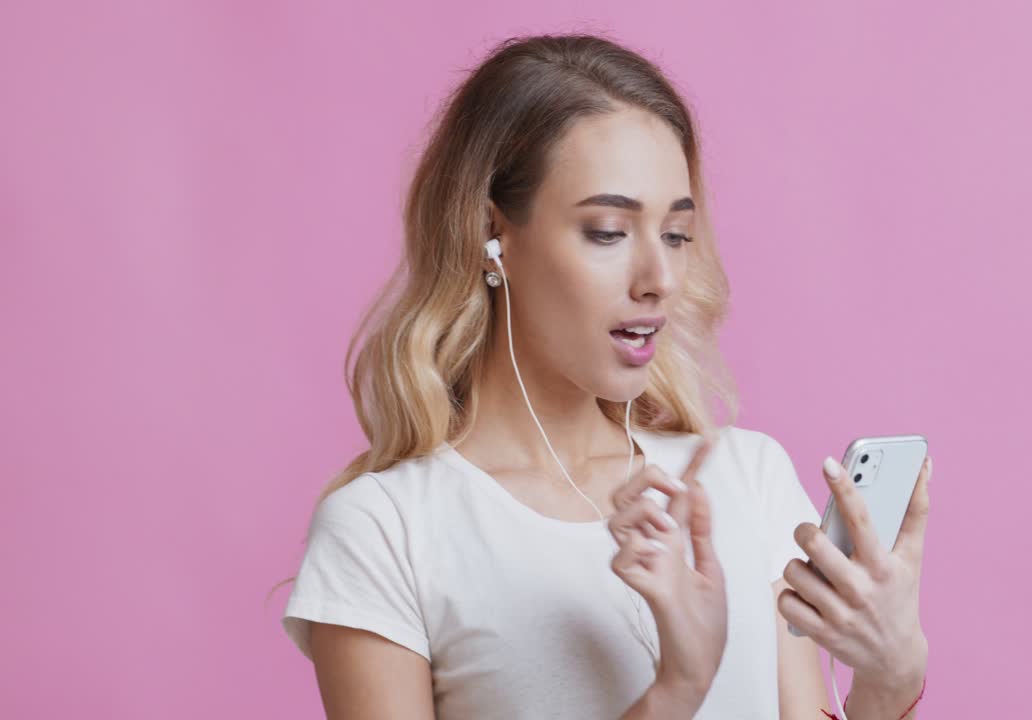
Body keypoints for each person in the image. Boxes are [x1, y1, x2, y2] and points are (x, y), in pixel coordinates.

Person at [275, 33, 931, 719]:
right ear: (488, 235)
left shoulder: (749, 481)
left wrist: (890, 681)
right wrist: (678, 687)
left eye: (676, 234)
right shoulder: (387, 531)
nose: (660, 279)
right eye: (609, 232)